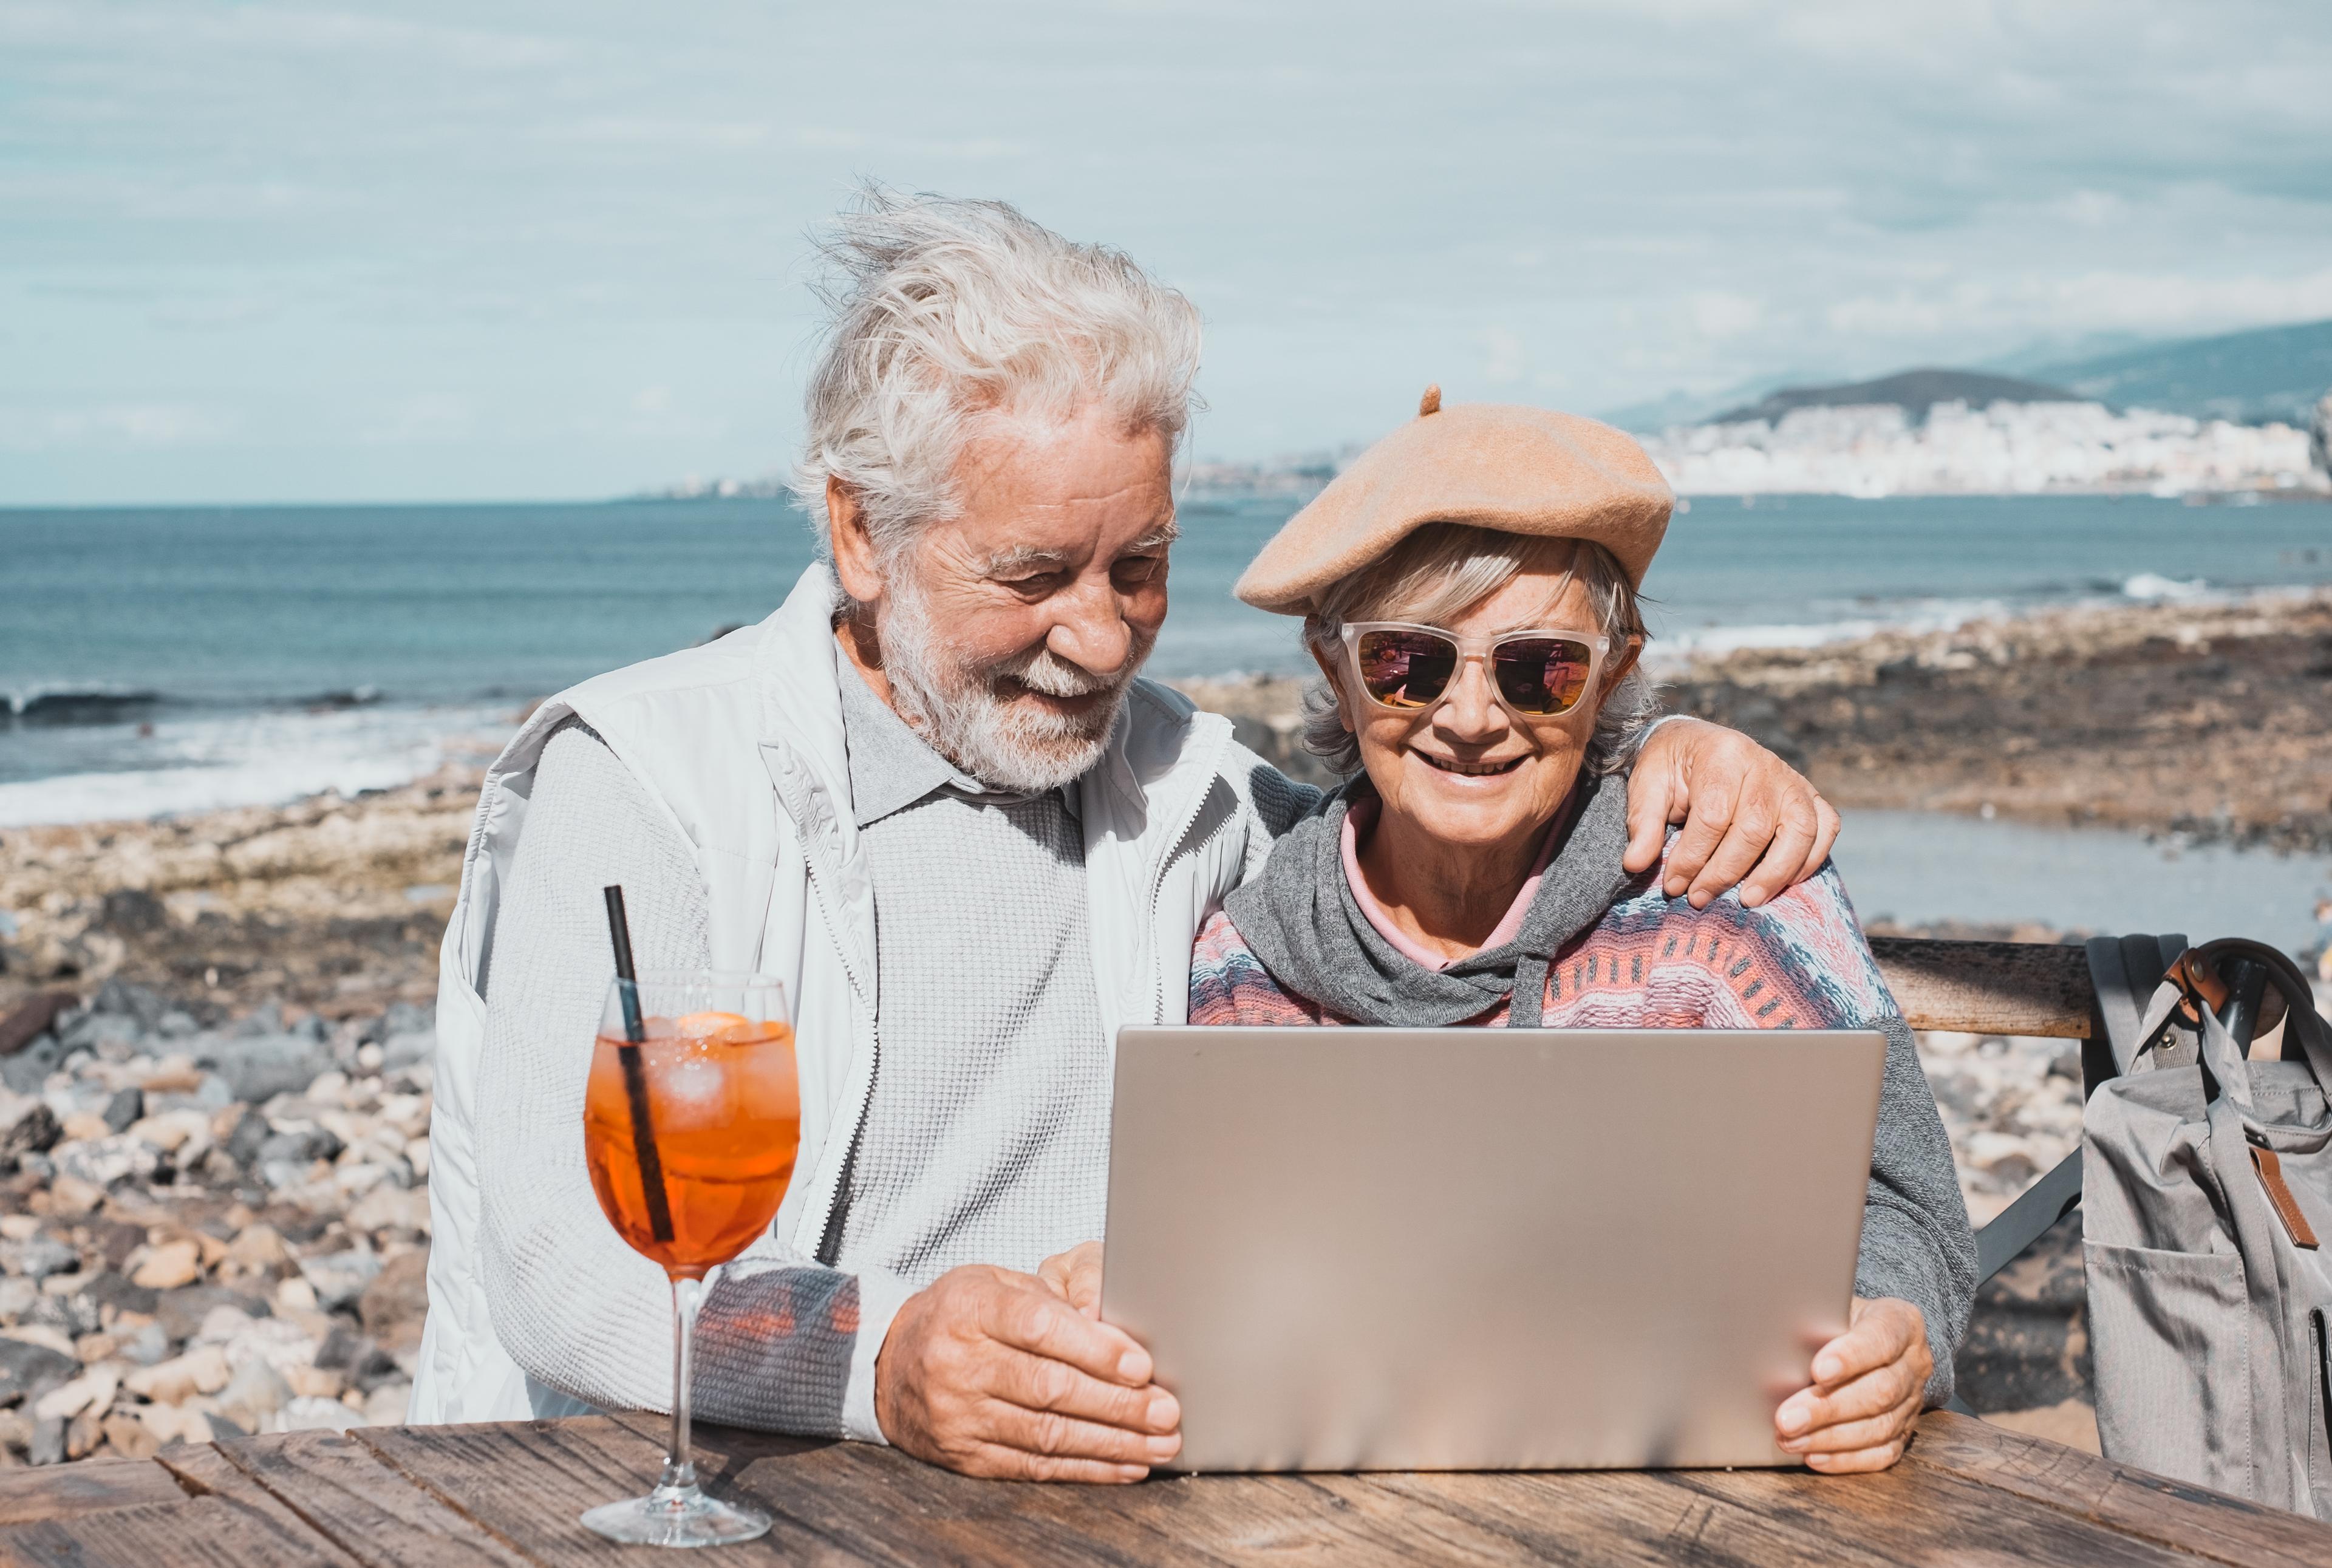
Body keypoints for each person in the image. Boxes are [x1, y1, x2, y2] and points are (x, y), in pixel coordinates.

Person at [411, 189, 1846, 1483]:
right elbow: (565, 1260)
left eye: (1143, 567)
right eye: (1033, 573)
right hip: (720, 1499)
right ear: (860, 536)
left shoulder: (1201, 793)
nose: (1100, 639)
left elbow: (1431, 833)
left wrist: (1651, 748)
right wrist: (886, 1363)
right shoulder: (650, 781)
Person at [1088, 394, 1972, 1474]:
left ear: (1612, 670)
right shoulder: (1238, 962)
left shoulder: (1737, 884)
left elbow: (1907, 1214)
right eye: (1407, 662)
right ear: (1334, 668)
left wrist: (1889, 1334)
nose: (1468, 718)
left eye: (1537, 667)